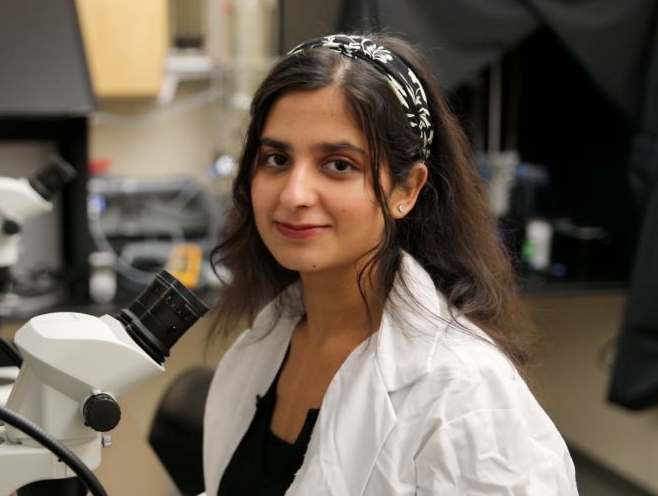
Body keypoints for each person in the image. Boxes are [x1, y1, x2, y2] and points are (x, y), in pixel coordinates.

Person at [202, 32, 578, 495]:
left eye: (339, 165)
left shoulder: (466, 395)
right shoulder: (264, 342)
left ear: (407, 190)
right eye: (276, 159)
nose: (293, 194)